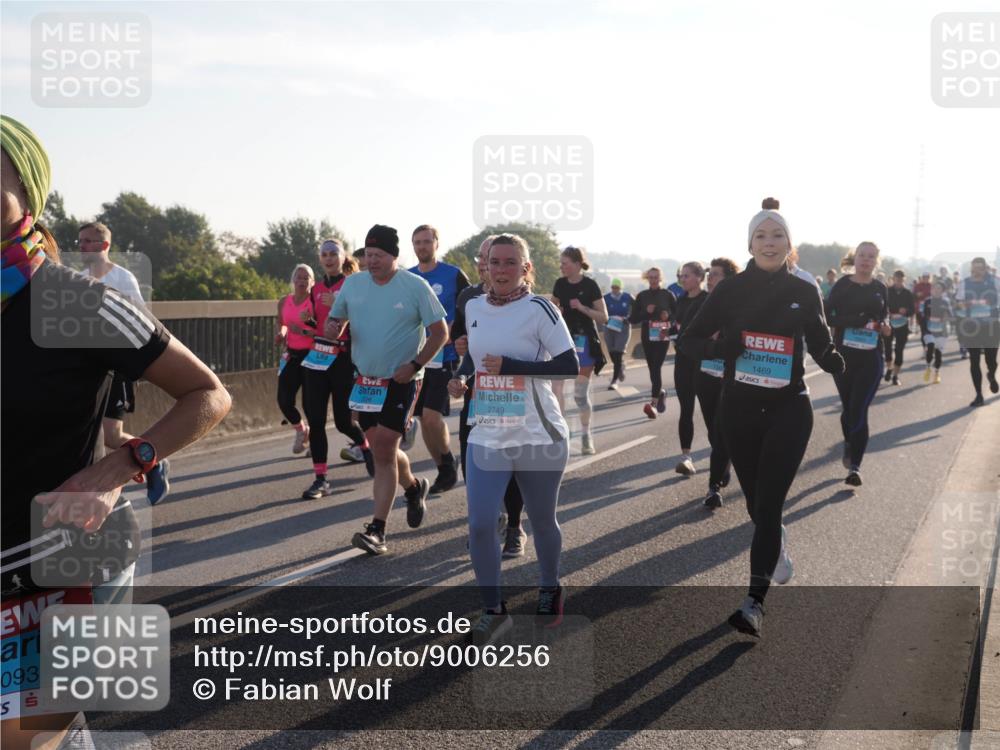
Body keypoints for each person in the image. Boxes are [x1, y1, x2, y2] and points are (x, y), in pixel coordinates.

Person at [1, 115, 231, 748]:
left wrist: (114, 470)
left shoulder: (76, 301)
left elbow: (208, 393)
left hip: (69, 560)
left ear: (27, 191)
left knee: (20, 738)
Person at [677, 197, 844, 638]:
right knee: (757, 506)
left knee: (768, 505)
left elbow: (820, 340)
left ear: (790, 244)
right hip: (739, 409)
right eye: (761, 235)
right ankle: (775, 541)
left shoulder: (805, 290)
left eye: (778, 235)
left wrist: (832, 360)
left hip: (790, 408)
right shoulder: (729, 290)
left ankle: (754, 602)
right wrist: (717, 350)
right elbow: (688, 341)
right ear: (749, 244)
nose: (769, 243)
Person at [447, 234, 579, 644]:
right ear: (485, 266)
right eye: (495, 262)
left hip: (537, 431)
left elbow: (569, 365)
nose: (501, 270)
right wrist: (461, 378)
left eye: (510, 263)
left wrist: (513, 366)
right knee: (480, 523)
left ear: (525, 268)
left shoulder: (540, 308)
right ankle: (493, 610)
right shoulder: (472, 306)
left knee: (541, 520)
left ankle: (549, 586)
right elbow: (475, 357)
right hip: (487, 429)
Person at [326, 225, 447, 555]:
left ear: (394, 256)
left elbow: (440, 332)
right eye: (368, 255)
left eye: (379, 255)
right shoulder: (353, 284)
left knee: (383, 447)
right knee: (382, 449)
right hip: (365, 381)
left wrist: (416, 364)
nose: (372, 261)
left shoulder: (414, 286)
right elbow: (337, 322)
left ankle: (377, 529)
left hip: (402, 380)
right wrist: (334, 327)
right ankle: (413, 486)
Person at [78, 221, 171, 505]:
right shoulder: (78, 278)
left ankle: (153, 462)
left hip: (116, 367)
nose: (81, 246)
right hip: (87, 368)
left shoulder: (122, 279)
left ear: (104, 246)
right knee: (87, 434)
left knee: (111, 434)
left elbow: (143, 321)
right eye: (79, 241)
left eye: (88, 241)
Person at [451, 236, 526, 557]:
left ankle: (514, 527)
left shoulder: (525, 299)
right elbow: (459, 338)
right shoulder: (469, 297)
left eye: (494, 258)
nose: (487, 263)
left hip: (512, 392)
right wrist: (459, 372)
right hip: (478, 390)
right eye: (483, 257)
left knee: (509, 462)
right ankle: (483, 521)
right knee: (472, 457)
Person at [300, 239, 373, 499]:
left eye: (333, 254)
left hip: (343, 358)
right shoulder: (315, 288)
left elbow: (368, 319)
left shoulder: (354, 284)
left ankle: (365, 446)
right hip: (318, 358)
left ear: (343, 258)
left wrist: (342, 307)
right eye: (324, 254)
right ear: (320, 259)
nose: (329, 258)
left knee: (344, 422)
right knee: (316, 420)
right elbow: (313, 323)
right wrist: (307, 321)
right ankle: (321, 479)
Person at [409, 225, 471, 494]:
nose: (422, 246)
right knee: (423, 418)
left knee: (432, 418)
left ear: (436, 243)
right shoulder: (407, 277)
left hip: (444, 357)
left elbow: (470, 305)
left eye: (426, 241)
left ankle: (447, 464)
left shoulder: (453, 275)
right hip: (418, 358)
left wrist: (452, 332)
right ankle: (444, 467)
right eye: (417, 242)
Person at [826, 243, 890, 487]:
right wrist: (855, 320)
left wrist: (886, 328)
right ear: (855, 258)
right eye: (862, 255)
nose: (866, 260)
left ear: (876, 261)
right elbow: (828, 316)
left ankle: (855, 467)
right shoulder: (843, 285)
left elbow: (884, 317)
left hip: (871, 357)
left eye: (871, 256)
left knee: (859, 409)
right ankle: (850, 442)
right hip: (843, 357)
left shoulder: (880, 288)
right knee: (849, 409)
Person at [551, 246, 607, 455]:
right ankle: (561, 432)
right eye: (561, 263)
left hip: (585, 342)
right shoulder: (560, 284)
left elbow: (604, 317)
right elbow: (553, 307)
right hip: (563, 342)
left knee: (580, 396)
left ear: (576, 264)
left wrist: (582, 307)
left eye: (565, 263)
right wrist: (555, 309)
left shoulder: (590, 285)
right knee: (556, 388)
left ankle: (586, 435)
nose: (561, 267)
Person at [696, 257, 740, 508]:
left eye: (715, 274)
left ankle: (713, 486)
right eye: (709, 274)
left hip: (731, 378)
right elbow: (688, 337)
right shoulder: (702, 303)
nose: (710, 278)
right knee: (713, 431)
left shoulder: (739, 306)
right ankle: (724, 463)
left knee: (723, 428)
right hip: (705, 375)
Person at [275, 264, 317, 455]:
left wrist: (304, 329)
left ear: (312, 281)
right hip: (292, 355)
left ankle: (316, 440)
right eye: (298, 277)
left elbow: (321, 330)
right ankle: (302, 431)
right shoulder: (285, 302)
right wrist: (281, 334)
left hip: (312, 357)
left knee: (311, 404)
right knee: (284, 400)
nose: (302, 281)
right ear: (293, 280)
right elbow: (283, 324)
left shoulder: (315, 303)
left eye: (306, 277)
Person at [672, 262, 708, 476]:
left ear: (698, 277)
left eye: (686, 276)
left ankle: (720, 454)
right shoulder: (680, 300)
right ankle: (686, 456)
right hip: (683, 360)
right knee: (686, 409)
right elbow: (678, 327)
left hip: (704, 361)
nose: (682, 279)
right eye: (681, 276)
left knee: (709, 410)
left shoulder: (708, 300)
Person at [630, 266, 676, 419]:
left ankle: (654, 404)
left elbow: (677, 315)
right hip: (647, 335)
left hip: (662, 334)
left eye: (656, 277)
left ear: (660, 278)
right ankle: (660, 393)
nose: (653, 280)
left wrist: (667, 315)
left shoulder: (668, 295)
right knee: (652, 368)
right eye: (651, 277)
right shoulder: (642, 296)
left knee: (656, 366)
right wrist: (646, 312)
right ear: (647, 278)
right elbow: (633, 318)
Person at [955, 256, 999, 407]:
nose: (978, 271)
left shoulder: (994, 281)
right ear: (971, 269)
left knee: (991, 361)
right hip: (972, 327)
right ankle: (978, 395)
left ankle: (991, 375)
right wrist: (965, 305)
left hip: (991, 326)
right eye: (975, 268)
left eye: (981, 268)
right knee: (974, 360)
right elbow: (958, 304)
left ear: (985, 268)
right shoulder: (964, 283)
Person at [882, 269, 915, 386]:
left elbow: (912, 310)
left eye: (901, 280)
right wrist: (888, 313)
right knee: (887, 349)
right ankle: (889, 368)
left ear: (903, 280)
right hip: (888, 323)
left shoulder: (908, 293)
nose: (899, 282)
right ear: (893, 279)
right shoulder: (887, 291)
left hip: (902, 324)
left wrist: (906, 312)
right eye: (897, 280)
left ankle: (895, 376)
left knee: (899, 350)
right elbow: (882, 306)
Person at [920, 281, 955, 384]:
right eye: (935, 288)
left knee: (938, 354)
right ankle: (928, 367)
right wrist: (927, 318)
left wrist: (945, 318)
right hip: (929, 330)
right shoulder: (927, 301)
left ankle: (937, 373)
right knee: (930, 347)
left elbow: (951, 316)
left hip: (942, 331)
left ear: (942, 291)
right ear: (932, 290)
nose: (936, 290)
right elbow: (922, 315)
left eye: (939, 288)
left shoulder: (946, 302)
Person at [603, 278, 634, 389]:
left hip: (623, 327)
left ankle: (614, 381)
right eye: (613, 287)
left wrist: (628, 318)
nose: (615, 290)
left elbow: (637, 309)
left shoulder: (627, 297)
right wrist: (606, 318)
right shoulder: (605, 298)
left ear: (621, 288)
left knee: (618, 352)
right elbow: (600, 310)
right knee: (612, 353)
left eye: (617, 288)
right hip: (609, 326)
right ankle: (620, 366)